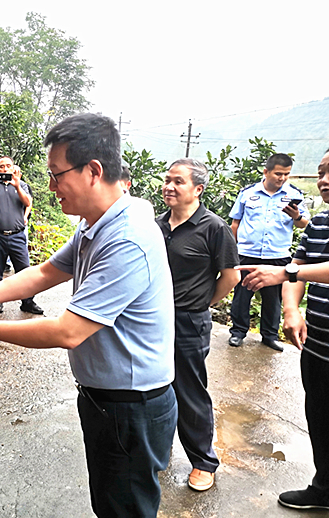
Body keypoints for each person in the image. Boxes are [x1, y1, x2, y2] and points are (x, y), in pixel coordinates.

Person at [0, 113, 177, 517]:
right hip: (107, 399)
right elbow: (48, 271)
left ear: (93, 171)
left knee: (125, 508)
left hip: (131, 406)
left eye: (56, 175)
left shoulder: (127, 238)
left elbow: (68, 331)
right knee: (110, 501)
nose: (51, 187)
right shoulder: (96, 223)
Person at [237, 150, 329, 511]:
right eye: (321, 172)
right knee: (320, 418)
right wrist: (292, 309)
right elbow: (300, 264)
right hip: (318, 343)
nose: (323, 179)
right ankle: (323, 488)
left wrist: (288, 275)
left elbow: (292, 271)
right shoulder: (321, 224)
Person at [156, 158, 240, 492]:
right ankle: (158, 453)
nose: (169, 187)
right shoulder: (157, 225)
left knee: (189, 392)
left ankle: (203, 462)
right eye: (167, 180)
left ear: (198, 189)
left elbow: (230, 276)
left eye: (178, 181)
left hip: (189, 322)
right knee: (154, 388)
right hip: (152, 320)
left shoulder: (213, 227)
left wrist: (202, 303)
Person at [228, 153, 310, 351]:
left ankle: (269, 336)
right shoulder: (247, 193)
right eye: (278, 174)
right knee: (242, 295)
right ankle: (238, 332)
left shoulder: (295, 195)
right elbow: (235, 223)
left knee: (273, 299)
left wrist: (297, 216)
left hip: (277, 256)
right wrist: (233, 251)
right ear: (266, 172)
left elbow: (304, 224)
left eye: (286, 174)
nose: (282, 178)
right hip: (248, 253)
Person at [0, 156, 43, 314]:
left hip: (17, 236)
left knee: (24, 271)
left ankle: (27, 302)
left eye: (8, 166)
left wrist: (17, 185)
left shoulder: (22, 185)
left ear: (13, 168)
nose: (5, 169)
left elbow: (28, 203)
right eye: (1, 166)